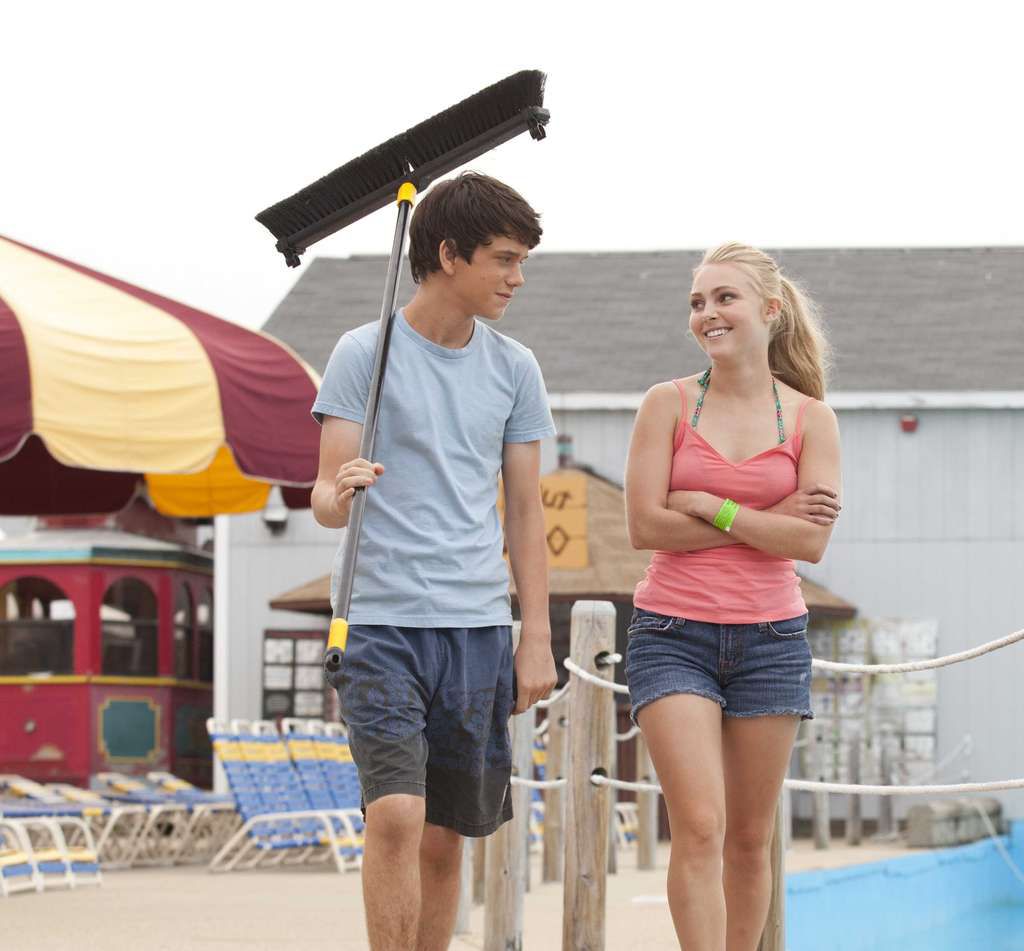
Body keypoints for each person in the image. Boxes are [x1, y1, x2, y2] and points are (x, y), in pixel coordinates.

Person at [310, 172, 557, 951]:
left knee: (446, 835)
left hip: (476, 625)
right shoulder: (363, 353)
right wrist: (340, 492)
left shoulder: (515, 368)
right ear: (449, 255)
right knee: (395, 814)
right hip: (378, 620)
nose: (517, 278)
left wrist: (536, 634)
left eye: (521, 262)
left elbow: (525, 510)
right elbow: (323, 496)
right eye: (504, 259)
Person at [624, 242, 842, 951]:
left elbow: (809, 544)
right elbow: (644, 526)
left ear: (770, 310)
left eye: (725, 298)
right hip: (671, 634)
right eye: (697, 302)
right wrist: (767, 522)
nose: (707, 313)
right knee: (700, 825)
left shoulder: (811, 419)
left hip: (771, 642)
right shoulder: (667, 404)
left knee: (749, 839)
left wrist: (711, 506)